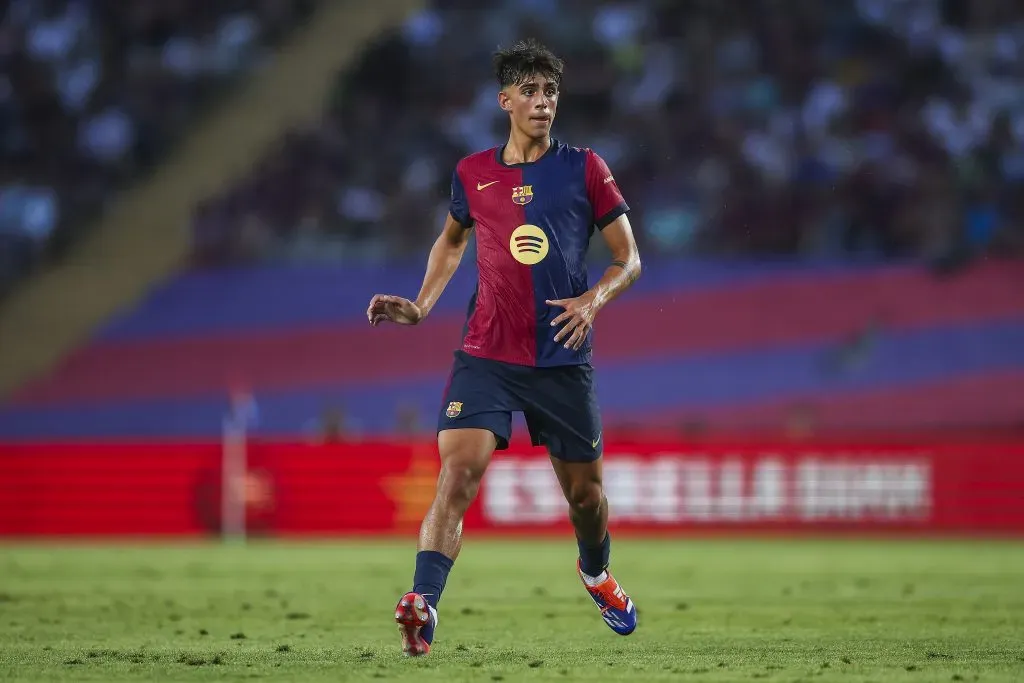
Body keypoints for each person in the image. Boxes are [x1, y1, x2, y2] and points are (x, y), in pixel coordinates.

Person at [366, 39, 642, 656]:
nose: (543, 103)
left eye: (551, 93)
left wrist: (592, 302)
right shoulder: (473, 172)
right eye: (531, 92)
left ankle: (595, 573)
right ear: (505, 100)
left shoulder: (585, 168)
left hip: (562, 357)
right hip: (486, 354)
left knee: (586, 497)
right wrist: (421, 304)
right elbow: (452, 241)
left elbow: (630, 259)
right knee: (458, 474)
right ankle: (423, 603)